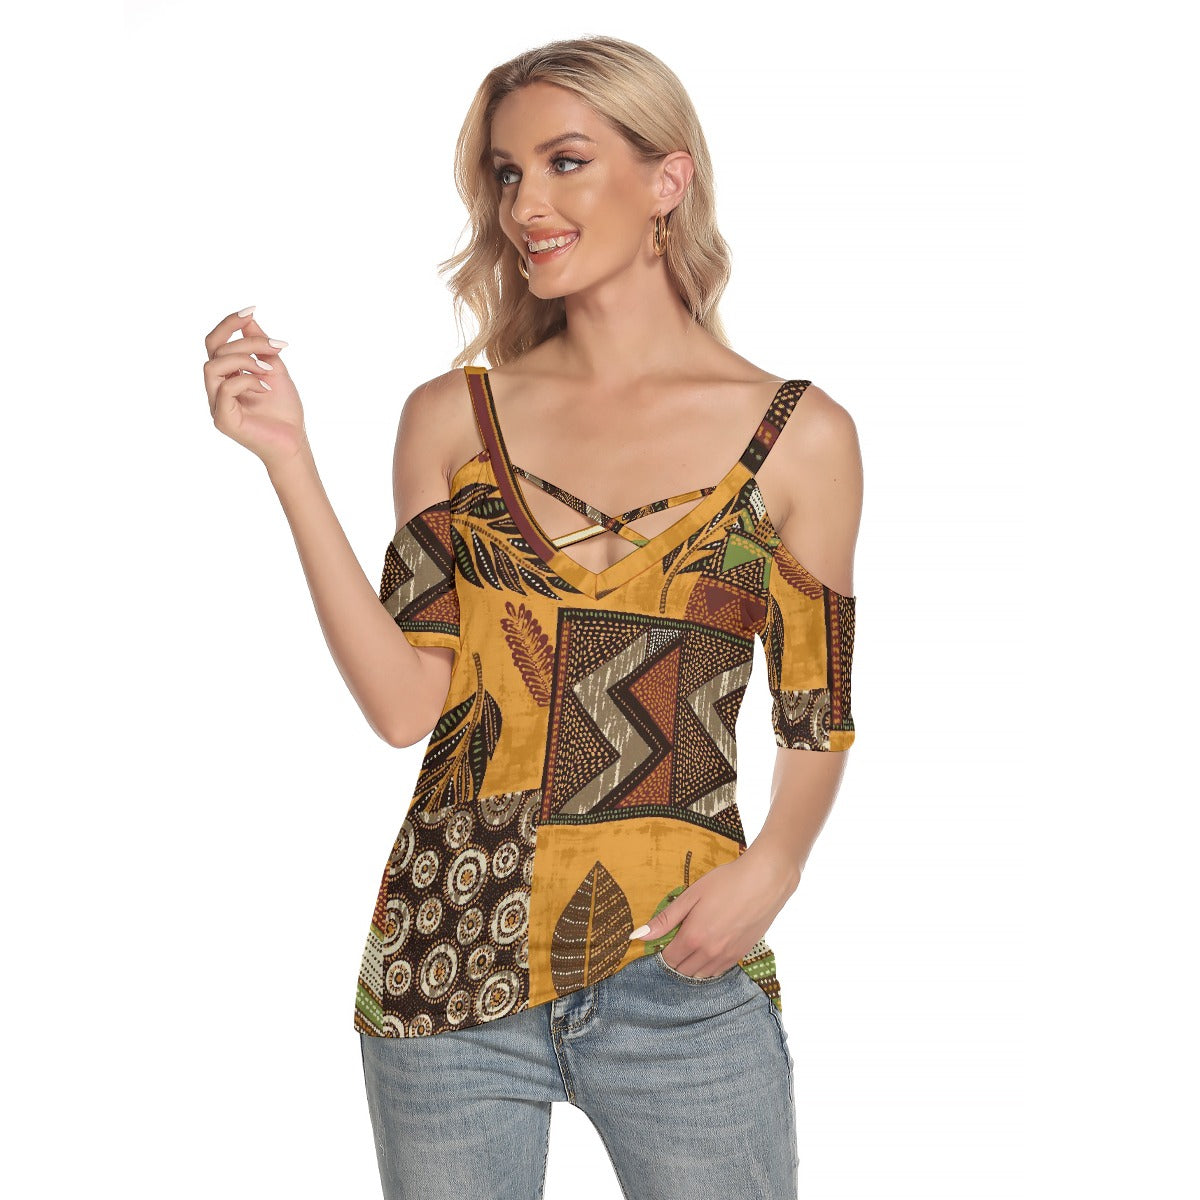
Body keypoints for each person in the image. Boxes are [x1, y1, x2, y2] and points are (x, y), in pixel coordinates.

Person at [202, 34, 861, 1200]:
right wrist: (289, 462)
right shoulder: (452, 419)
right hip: (449, 952)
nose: (525, 206)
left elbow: (816, 711)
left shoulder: (799, 436)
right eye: (507, 174)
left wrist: (777, 865)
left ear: (667, 179)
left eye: (565, 162)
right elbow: (406, 706)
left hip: (681, 966)